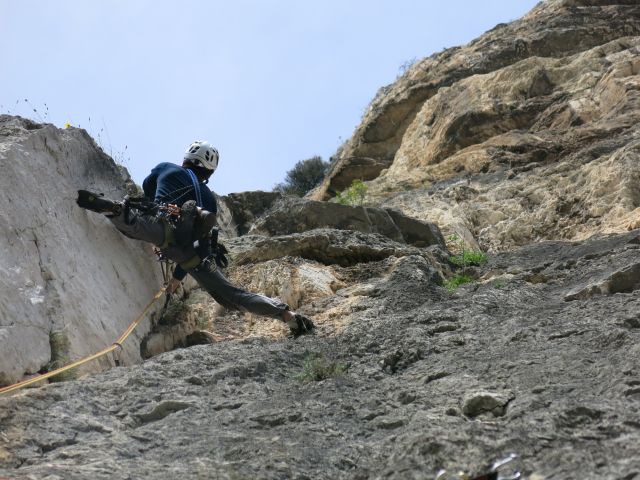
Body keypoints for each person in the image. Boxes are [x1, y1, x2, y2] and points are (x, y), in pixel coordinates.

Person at [77, 140, 315, 336]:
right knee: (232, 296)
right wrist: (177, 279)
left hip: (162, 227)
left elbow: (148, 192)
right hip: (191, 253)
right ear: (209, 170)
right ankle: (287, 315)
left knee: (135, 224)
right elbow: (201, 238)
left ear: (187, 158)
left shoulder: (165, 168)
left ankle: (115, 210)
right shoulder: (209, 199)